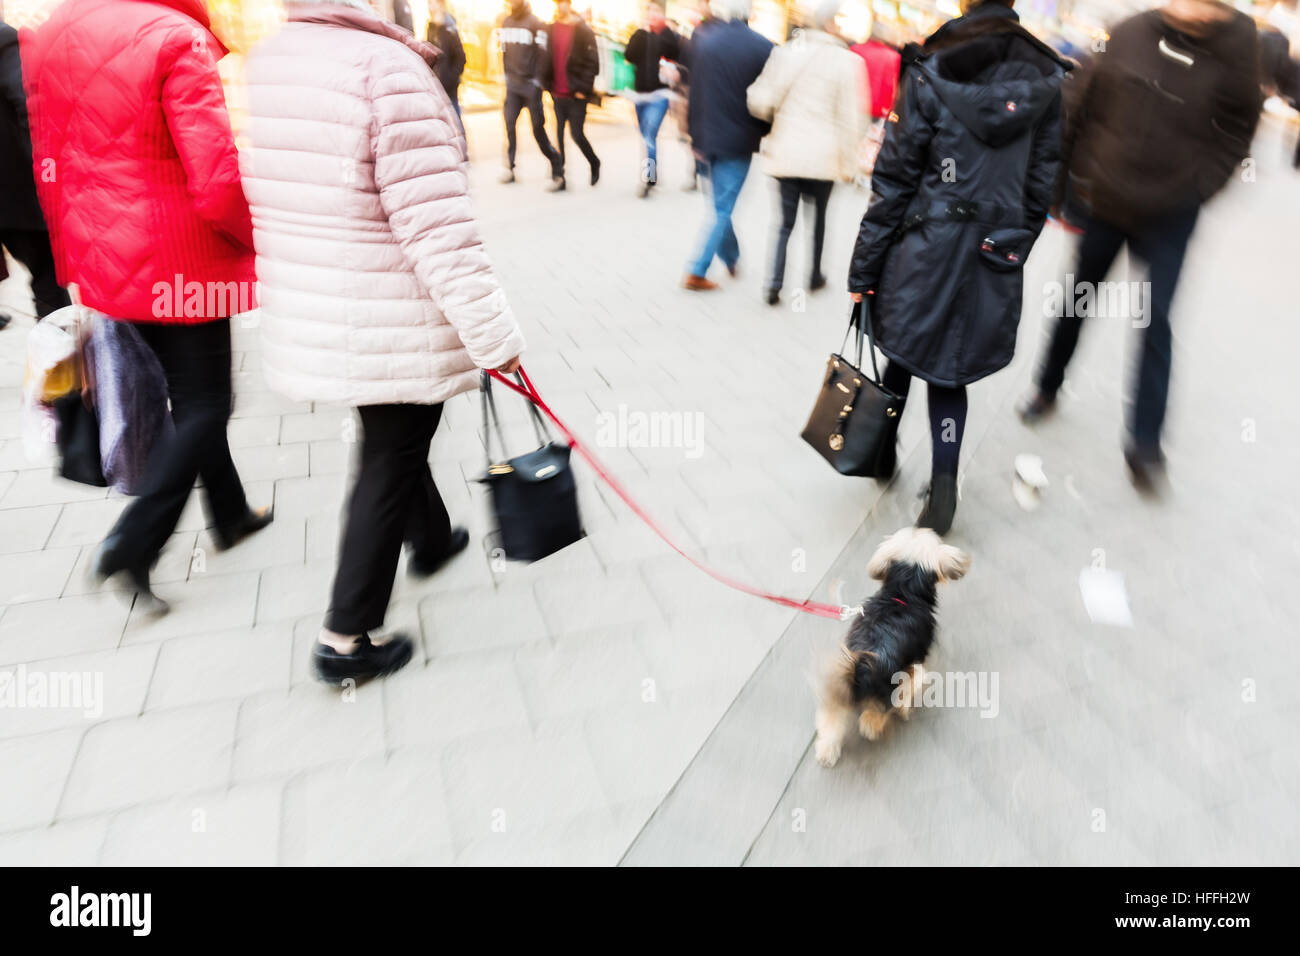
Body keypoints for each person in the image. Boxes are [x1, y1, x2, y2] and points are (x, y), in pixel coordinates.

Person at [242, 0, 525, 684]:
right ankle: (345, 639)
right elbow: (437, 228)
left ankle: (430, 538)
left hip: (325, 296)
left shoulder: (277, 57)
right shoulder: (385, 67)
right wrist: (494, 334)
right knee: (392, 449)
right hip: (385, 303)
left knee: (391, 429)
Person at [23, 0, 271, 611]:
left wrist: (74, 256)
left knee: (188, 400)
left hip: (104, 250)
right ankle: (132, 545)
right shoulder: (176, 37)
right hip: (179, 255)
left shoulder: (56, 33)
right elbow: (214, 180)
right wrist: (254, 236)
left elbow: (48, 163)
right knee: (208, 404)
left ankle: (231, 512)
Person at [1019, 0, 1262, 491]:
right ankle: (1047, 386)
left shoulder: (1237, 48)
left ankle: (1145, 447)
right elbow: (1077, 103)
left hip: (1171, 213)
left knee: (1155, 319)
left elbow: (1241, 126)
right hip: (1106, 201)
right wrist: (1062, 187)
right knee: (1077, 300)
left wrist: (1203, 185)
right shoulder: (1129, 31)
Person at [847, 0, 1070, 534]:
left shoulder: (932, 66)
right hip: (991, 248)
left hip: (924, 241)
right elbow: (1042, 187)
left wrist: (863, 269)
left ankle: (879, 451)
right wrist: (1012, 245)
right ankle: (944, 482)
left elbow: (894, 179)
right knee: (950, 368)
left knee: (901, 346)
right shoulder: (1046, 80)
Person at [747, 0, 866, 306]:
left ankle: (773, 284)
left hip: (787, 152)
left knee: (784, 222)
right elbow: (851, 119)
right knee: (819, 219)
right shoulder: (847, 62)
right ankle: (813, 276)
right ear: (828, 23)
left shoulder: (784, 53)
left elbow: (759, 101)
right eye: (837, 20)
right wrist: (851, 163)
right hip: (824, 157)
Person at [682, 0, 773, 290]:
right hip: (739, 139)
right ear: (751, 13)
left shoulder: (706, 43)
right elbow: (768, 97)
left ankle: (732, 258)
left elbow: (693, 92)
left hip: (706, 136)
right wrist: (765, 131)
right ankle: (697, 270)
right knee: (723, 208)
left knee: (720, 205)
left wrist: (693, 136)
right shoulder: (763, 47)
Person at [1, 17, 69, 327]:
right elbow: (30, 106)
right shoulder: (5, 40)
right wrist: (47, 171)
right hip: (16, 194)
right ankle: (61, 367)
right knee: (48, 279)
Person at [499, 0, 564, 190]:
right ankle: (510, 168)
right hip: (513, 86)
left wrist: (538, 82)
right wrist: (506, 76)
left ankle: (556, 164)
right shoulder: (506, 22)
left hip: (531, 87)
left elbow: (544, 55)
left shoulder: (537, 24)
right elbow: (503, 52)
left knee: (537, 130)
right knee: (509, 125)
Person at [624, 1, 681, 196]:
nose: (651, 14)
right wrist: (641, 31)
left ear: (662, 14)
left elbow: (676, 55)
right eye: (648, 10)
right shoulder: (640, 34)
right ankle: (652, 173)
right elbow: (629, 55)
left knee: (649, 134)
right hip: (640, 95)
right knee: (646, 137)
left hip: (660, 95)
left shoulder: (667, 35)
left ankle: (647, 179)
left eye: (655, 10)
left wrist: (660, 32)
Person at [543, 0, 601, 187]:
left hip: (576, 94)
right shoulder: (551, 29)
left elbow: (593, 63)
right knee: (558, 135)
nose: (560, 6)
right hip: (557, 92)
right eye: (557, 3)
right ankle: (560, 176)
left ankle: (594, 161)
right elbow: (546, 57)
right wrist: (546, 83)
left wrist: (584, 90)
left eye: (563, 3)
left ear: (569, 4)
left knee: (576, 134)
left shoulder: (582, 30)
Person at [851, 26, 902, 121]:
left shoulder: (855, 48)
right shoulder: (892, 56)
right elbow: (889, 86)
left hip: (851, 101)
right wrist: (888, 110)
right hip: (874, 108)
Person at [427, 0, 466, 115]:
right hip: (436, 86)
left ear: (440, 4)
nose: (429, 6)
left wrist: (450, 79)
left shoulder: (450, 27)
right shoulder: (431, 27)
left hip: (449, 89)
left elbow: (461, 58)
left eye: (432, 3)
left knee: (456, 124)